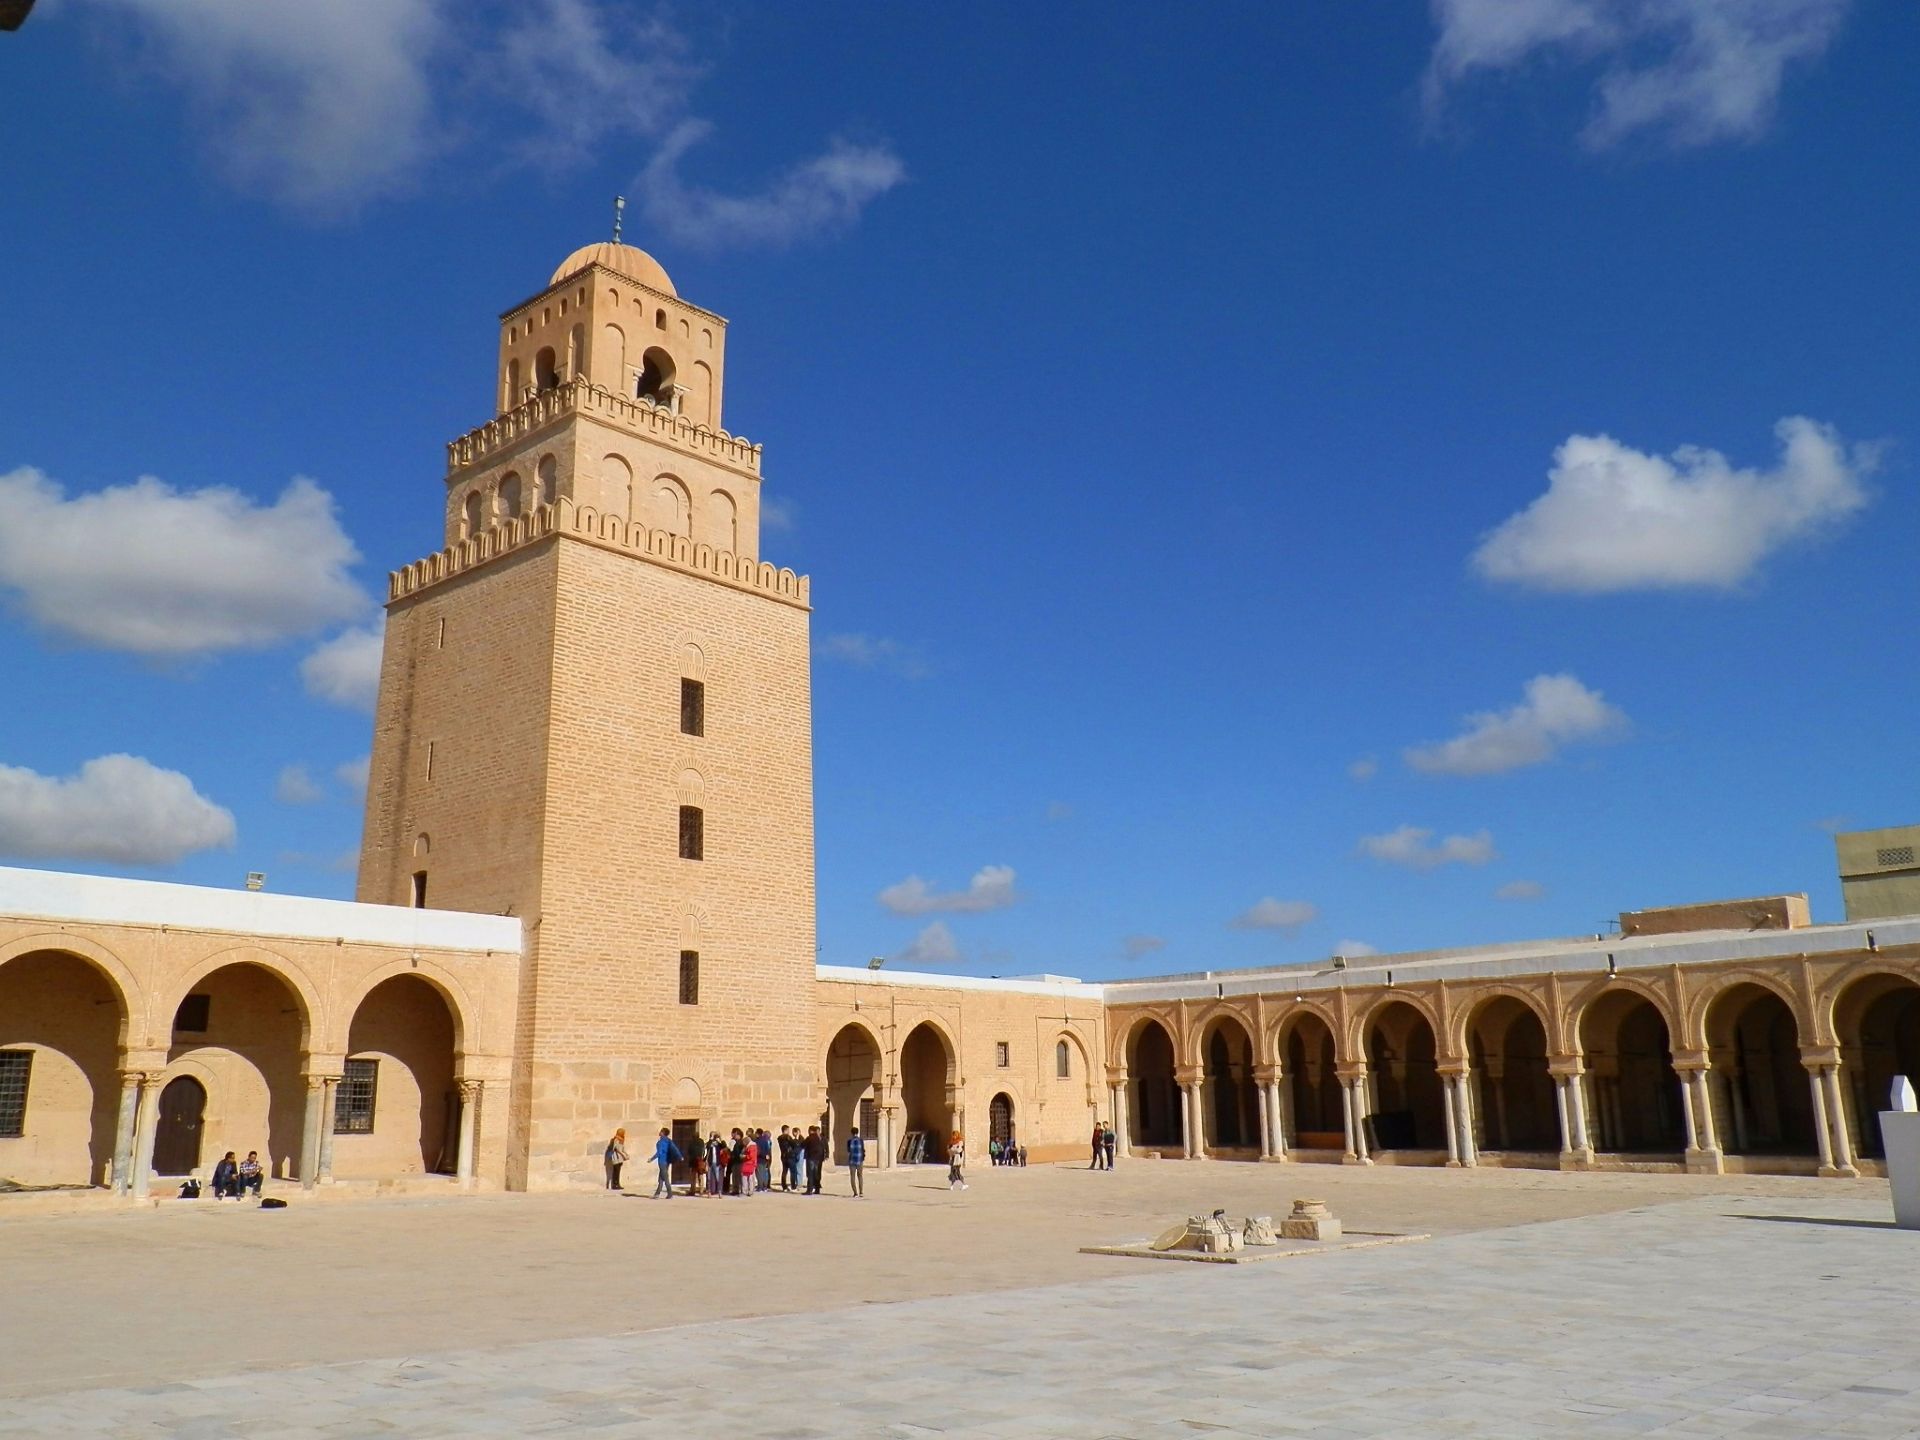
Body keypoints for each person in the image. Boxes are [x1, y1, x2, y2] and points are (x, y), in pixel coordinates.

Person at [651, 1127, 682, 1198]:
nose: (659, 1132)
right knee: (661, 1178)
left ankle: (669, 1193)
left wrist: (652, 1159)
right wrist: (680, 1156)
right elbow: (675, 1149)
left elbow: (659, 1152)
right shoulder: (669, 1141)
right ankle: (657, 1193)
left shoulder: (660, 1142)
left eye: (661, 1131)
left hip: (662, 1161)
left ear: (663, 1133)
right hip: (667, 1161)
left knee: (665, 1178)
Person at [803, 1125, 826, 1194]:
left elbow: (802, 1145)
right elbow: (822, 1148)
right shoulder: (819, 1138)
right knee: (816, 1174)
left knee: (810, 1174)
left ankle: (809, 1190)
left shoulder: (809, 1138)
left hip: (811, 1158)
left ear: (810, 1131)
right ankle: (817, 1189)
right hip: (818, 1159)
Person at [846, 1125, 866, 1196]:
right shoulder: (861, 1140)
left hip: (852, 1161)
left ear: (851, 1133)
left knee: (852, 1176)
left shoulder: (849, 1141)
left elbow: (848, 1150)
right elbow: (863, 1150)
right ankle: (861, 1192)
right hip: (859, 1160)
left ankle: (855, 1192)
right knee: (860, 1176)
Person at [776, 1125, 796, 1192]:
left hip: (783, 1156)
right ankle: (793, 1186)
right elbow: (794, 1144)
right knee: (793, 1171)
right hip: (789, 1156)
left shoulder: (779, 1138)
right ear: (786, 1130)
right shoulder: (788, 1137)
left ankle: (784, 1186)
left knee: (784, 1171)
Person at [738, 1130, 757, 1197]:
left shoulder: (751, 1147)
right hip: (750, 1164)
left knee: (747, 1178)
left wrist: (744, 1156)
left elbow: (751, 1156)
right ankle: (749, 1191)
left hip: (749, 1163)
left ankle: (746, 1191)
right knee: (749, 1178)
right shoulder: (752, 1146)